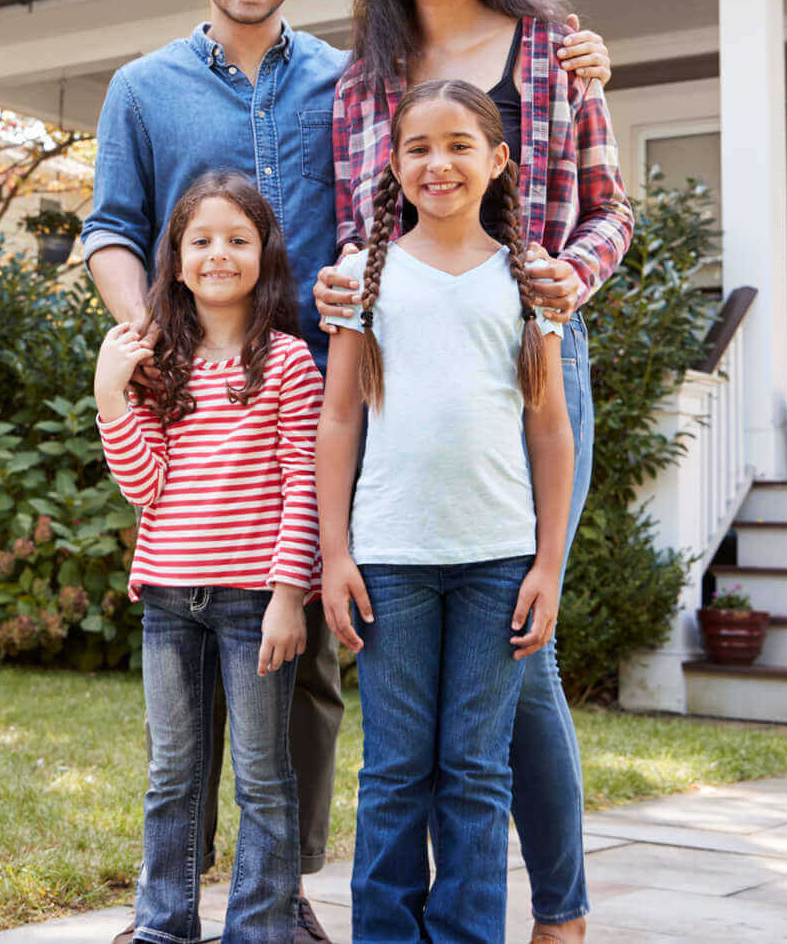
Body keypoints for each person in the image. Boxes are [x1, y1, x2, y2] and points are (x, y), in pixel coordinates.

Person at [82, 0, 611, 944]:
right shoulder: (167, 87)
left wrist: (563, 256)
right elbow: (112, 229)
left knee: (429, 665)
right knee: (301, 647)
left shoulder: (374, 71)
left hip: (431, 354)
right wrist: (152, 349)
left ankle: (521, 907)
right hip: (283, 379)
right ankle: (240, 905)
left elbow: (563, 186)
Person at [314, 0, 634, 944]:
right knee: (421, 740)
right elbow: (349, 232)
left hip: (531, 358)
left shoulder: (553, 50)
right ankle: (505, 915)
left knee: (521, 644)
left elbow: (610, 211)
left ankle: (560, 909)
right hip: (399, 374)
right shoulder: (359, 78)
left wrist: (567, 277)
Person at [315, 79, 574, 944]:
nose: (440, 163)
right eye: (419, 147)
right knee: (394, 770)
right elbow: (340, 417)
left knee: (473, 770)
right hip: (389, 560)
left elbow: (549, 428)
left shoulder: (529, 283)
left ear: (499, 160)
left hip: (498, 562)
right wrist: (335, 555)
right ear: (393, 163)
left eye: (460, 144)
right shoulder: (361, 279)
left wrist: (547, 565)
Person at [95, 169, 323, 944]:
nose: (218, 254)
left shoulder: (290, 362)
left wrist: (290, 596)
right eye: (201, 240)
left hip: (255, 601)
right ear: (176, 258)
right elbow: (144, 485)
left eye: (237, 239)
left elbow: (305, 487)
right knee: (173, 776)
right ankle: (163, 927)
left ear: (264, 254)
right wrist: (111, 397)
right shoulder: (161, 364)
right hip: (167, 596)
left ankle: (259, 931)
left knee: (262, 775)